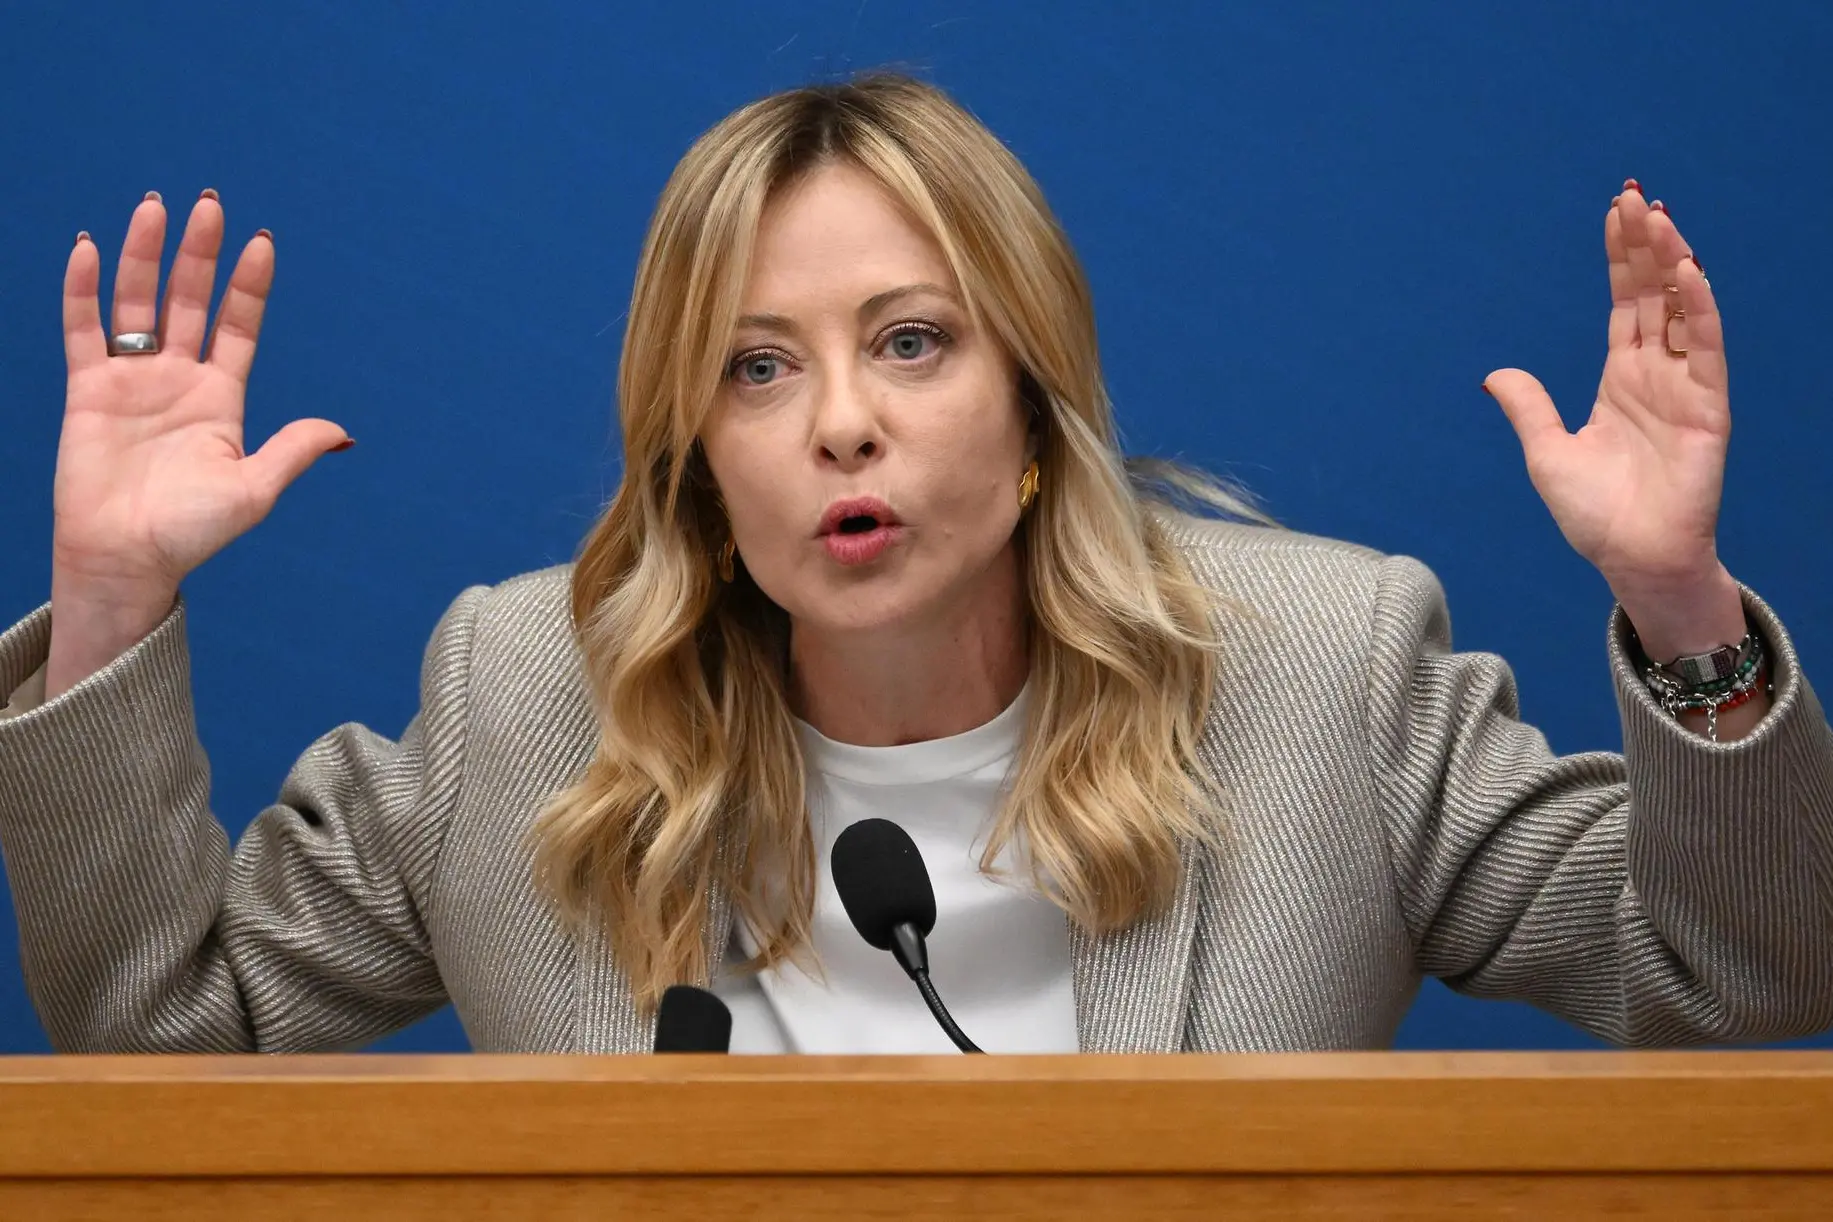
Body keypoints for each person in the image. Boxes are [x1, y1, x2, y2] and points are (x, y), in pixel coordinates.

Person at [1, 73, 1828, 1056]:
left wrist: (1678, 601)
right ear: (699, 466)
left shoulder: (1323, 673)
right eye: (758, 367)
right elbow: (167, 1037)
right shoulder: (522, 699)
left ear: (1036, 413)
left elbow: (1747, 976)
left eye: (912, 341)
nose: (840, 429)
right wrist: (108, 602)